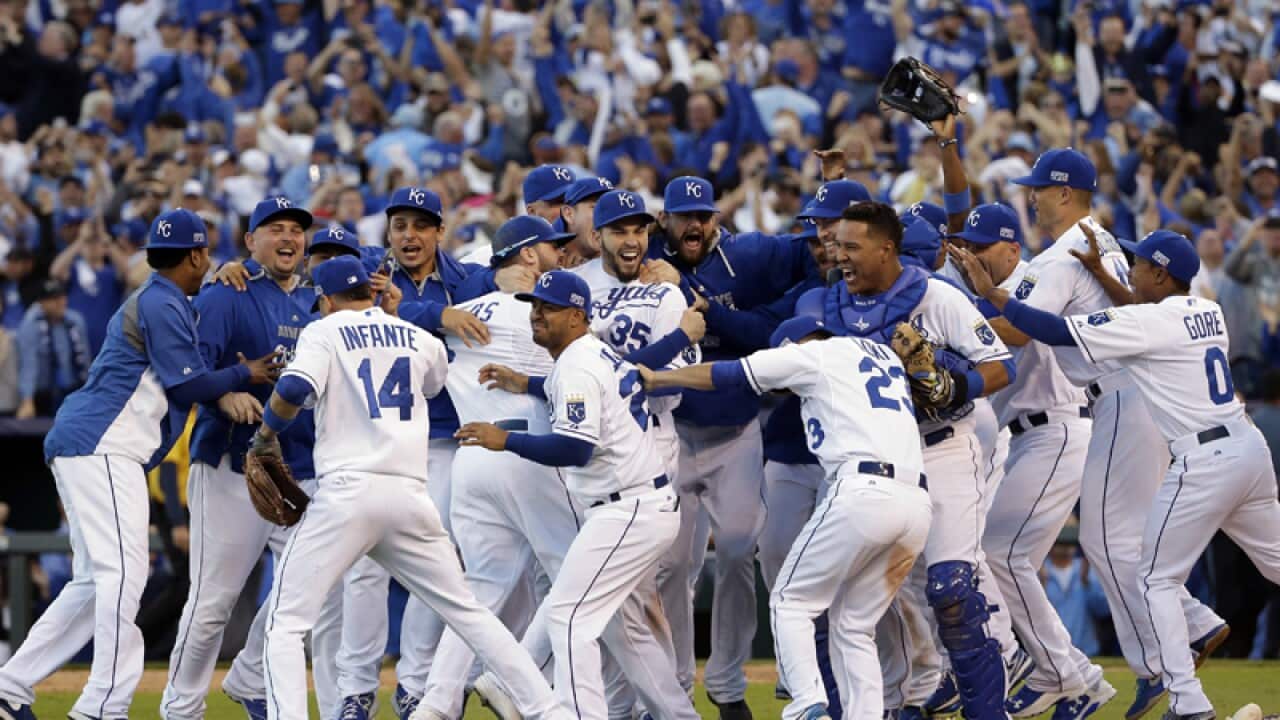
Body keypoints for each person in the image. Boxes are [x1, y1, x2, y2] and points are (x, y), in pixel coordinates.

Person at [952, 228, 1280, 720]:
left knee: (1154, 580)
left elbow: (1057, 331)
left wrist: (990, 292)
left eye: (1141, 265)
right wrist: (1105, 275)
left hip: (1205, 460)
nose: (1133, 270)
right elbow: (1143, 313)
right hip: (1248, 449)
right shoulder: (1204, 309)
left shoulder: (1152, 323)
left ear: (1161, 273)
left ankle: (1188, 705)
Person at [253, 255, 570, 720]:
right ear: (374, 292)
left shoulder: (323, 330)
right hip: (409, 492)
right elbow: (431, 382)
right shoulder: (420, 338)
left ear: (324, 299)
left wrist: (264, 436)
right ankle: (549, 711)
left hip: (348, 491)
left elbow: (295, 387)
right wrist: (393, 321)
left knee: (284, 623)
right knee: (469, 614)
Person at [969, 148, 1227, 720]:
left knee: (1105, 543)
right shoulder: (1101, 240)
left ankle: (1160, 664)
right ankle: (1194, 622)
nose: (1030, 197)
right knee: (1125, 539)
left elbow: (1014, 329)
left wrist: (954, 321)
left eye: (1038, 188)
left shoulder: (1064, 255)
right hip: (1140, 392)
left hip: (1121, 393)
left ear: (1064, 193)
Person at [0, 209, 278, 720]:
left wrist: (229, 274)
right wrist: (245, 373)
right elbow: (188, 383)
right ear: (194, 255)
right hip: (103, 444)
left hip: (96, 444)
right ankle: (103, 706)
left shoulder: (166, 298)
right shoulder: (159, 300)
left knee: (93, 583)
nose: (208, 260)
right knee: (124, 575)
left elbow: (191, 363)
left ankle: (10, 685)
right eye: (205, 254)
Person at [639, 315, 933, 720]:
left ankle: (806, 706)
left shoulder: (811, 353)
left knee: (790, 601)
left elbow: (728, 375)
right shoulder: (881, 354)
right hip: (916, 503)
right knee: (853, 626)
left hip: (864, 491)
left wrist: (657, 379)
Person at [795, 200, 1015, 720]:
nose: (839, 255)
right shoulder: (828, 304)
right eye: (836, 245)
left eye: (852, 246)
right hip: (868, 462)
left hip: (940, 449)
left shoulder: (937, 297)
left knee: (952, 593)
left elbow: (1001, 367)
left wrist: (952, 383)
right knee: (825, 600)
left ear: (885, 249)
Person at [452, 270, 684, 720]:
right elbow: (591, 387)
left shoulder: (576, 366)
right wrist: (527, 383)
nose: (537, 314)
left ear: (577, 316)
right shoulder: (589, 354)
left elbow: (575, 449)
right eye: (535, 306)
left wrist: (507, 440)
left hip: (627, 510)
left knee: (568, 619)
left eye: (549, 308)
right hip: (637, 504)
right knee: (625, 628)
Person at [411, 215, 579, 720]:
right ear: (528, 255)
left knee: (479, 591)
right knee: (578, 572)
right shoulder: (540, 315)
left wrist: (435, 314)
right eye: (551, 248)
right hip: (523, 450)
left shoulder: (459, 312)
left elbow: (399, 326)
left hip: (471, 459)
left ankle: (436, 703)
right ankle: (515, 677)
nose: (561, 254)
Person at [948, 203, 1111, 718]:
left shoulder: (1034, 279)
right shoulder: (995, 291)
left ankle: (1061, 674)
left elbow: (1016, 332)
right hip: (1029, 438)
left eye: (983, 246)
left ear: (1012, 248)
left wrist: (955, 323)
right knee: (994, 554)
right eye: (967, 246)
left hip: (1057, 427)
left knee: (1002, 555)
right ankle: (1080, 678)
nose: (972, 255)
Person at [15, 279, 91, 418]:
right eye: (53, 299)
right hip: (43, 394)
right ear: (41, 303)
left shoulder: (75, 321)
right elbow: (28, 364)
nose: (59, 302)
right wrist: (27, 400)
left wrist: (89, 392)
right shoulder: (30, 325)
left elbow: (84, 359)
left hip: (72, 390)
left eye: (62, 297)